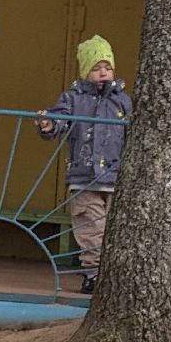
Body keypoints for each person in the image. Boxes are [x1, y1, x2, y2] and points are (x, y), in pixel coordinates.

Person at [35, 35, 132, 295]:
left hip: (115, 176)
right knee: (91, 228)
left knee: (114, 229)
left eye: (108, 67)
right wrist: (49, 124)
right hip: (84, 175)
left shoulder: (122, 100)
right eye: (96, 68)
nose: (103, 73)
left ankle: (113, 276)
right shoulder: (73, 98)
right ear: (85, 71)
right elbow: (60, 119)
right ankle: (93, 273)